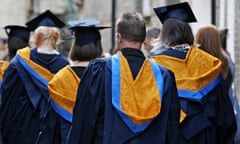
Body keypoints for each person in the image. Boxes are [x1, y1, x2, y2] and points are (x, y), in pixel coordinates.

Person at [67, 12, 180, 144]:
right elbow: (172, 129)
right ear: (144, 40)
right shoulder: (163, 76)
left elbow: (84, 122)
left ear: (119, 37)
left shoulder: (100, 71)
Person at [151, 2, 236, 144]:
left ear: (165, 34)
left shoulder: (154, 65)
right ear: (188, 31)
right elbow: (226, 120)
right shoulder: (209, 63)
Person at [0, 10, 69, 144]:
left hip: (22, 128)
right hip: (52, 128)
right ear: (56, 37)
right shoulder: (65, 66)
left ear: (36, 36)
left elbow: (8, 99)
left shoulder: (21, 60)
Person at [48, 18, 109, 144]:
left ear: (74, 46)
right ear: (98, 46)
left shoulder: (61, 78)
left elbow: (51, 125)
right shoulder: (107, 74)